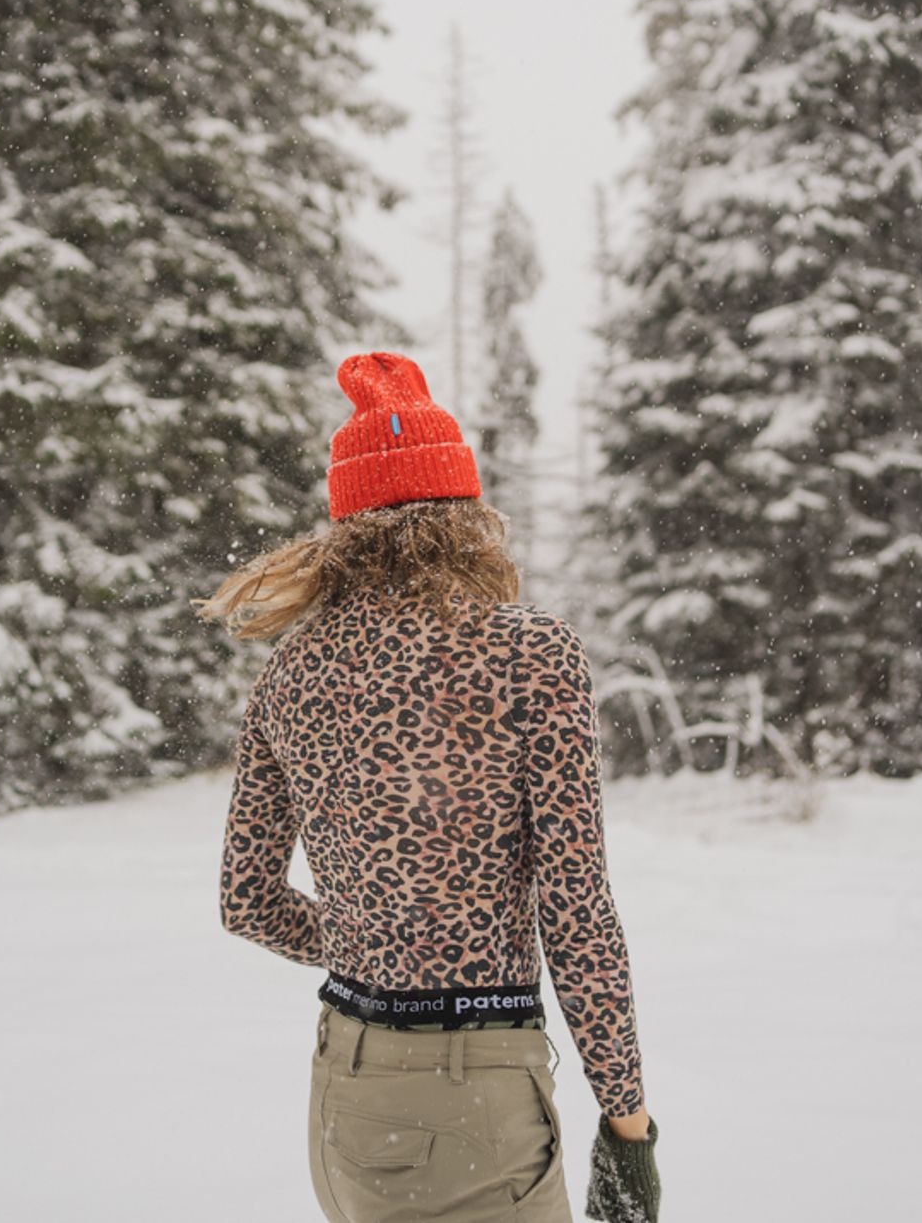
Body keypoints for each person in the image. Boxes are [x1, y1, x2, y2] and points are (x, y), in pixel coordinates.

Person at [196, 350, 662, 1222]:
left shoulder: (291, 668)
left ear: (349, 521)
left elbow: (246, 901)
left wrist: (372, 943)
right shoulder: (531, 651)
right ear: (466, 511)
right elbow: (576, 908)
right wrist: (628, 1119)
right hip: (478, 1099)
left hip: (344, 1091)